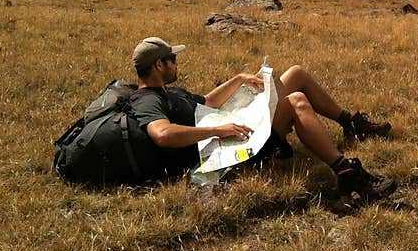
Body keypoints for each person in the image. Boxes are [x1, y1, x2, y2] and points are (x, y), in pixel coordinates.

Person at [130, 37, 397, 200]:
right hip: (226, 151)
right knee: (296, 101)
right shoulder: (148, 101)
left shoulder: (167, 91)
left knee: (295, 74)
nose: (176, 63)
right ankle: (346, 173)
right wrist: (220, 130)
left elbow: (207, 103)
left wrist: (239, 80)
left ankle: (352, 124)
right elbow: (162, 135)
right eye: (172, 58)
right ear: (159, 65)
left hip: (230, 128)